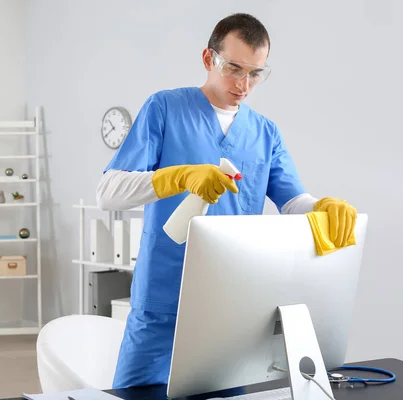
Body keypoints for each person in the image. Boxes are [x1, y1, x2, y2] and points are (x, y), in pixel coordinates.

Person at [95, 12, 357, 389]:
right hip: (164, 299)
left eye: (255, 73)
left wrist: (322, 207)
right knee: (134, 395)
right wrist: (179, 176)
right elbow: (108, 193)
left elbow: (291, 201)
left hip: (230, 304)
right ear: (208, 59)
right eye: (234, 68)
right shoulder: (165, 109)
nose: (244, 84)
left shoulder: (265, 133)